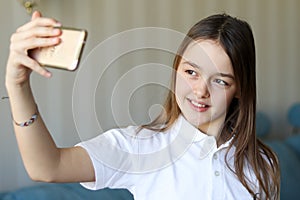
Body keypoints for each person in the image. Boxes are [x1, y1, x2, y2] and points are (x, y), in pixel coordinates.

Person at [5, 11, 280, 199]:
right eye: (191, 72)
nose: (200, 91)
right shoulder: (142, 146)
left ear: (240, 89)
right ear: (176, 69)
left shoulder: (263, 165)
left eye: (220, 81)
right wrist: (17, 86)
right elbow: (47, 167)